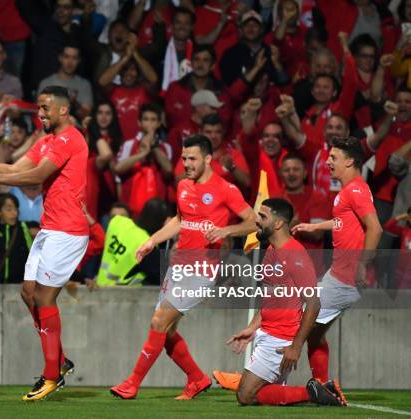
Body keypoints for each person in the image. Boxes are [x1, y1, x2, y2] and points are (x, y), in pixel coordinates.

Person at [110, 134, 256, 400]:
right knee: (166, 333)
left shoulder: (226, 189)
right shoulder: (183, 186)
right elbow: (180, 220)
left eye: (192, 159)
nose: (186, 163)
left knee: (158, 322)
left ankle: (132, 383)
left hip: (201, 271)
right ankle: (197, 379)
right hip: (177, 267)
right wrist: (152, 241)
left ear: (208, 159)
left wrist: (226, 230)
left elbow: (254, 222)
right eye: (184, 158)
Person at [0, 86, 89, 401]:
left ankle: (52, 375)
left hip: (68, 231)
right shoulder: (47, 140)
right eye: (39, 108)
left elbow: (36, 176)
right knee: (29, 294)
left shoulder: (69, 139)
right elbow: (14, 168)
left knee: (45, 297)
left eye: (46, 108)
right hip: (50, 229)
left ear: (63, 110)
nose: (40, 114)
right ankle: (60, 361)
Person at [223, 198, 346, 407]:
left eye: (263, 217)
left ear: (278, 223)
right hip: (268, 333)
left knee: (246, 394)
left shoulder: (295, 255)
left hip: (280, 337)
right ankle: (316, 392)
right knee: (264, 393)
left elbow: (314, 304)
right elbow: (272, 298)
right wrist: (253, 328)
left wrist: (296, 347)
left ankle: (314, 392)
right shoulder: (272, 251)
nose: (257, 221)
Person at [292, 137, 383, 383]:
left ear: (350, 160)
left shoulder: (355, 189)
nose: (328, 162)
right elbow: (345, 221)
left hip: (346, 278)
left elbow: (375, 228)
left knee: (294, 321)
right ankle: (322, 386)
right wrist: (315, 226)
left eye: (333, 157)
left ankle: (258, 379)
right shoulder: (348, 191)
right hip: (337, 274)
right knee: (315, 334)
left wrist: (363, 265)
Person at [0, 193, 32, 284]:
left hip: (18, 283)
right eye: (9, 209)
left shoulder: (22, 227)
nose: (15, 213)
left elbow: (31, 254)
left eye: (16, 208)